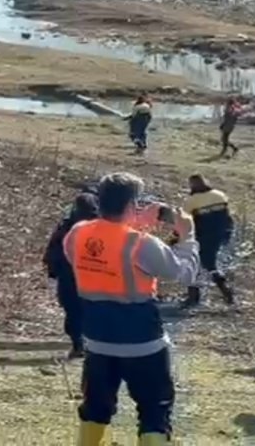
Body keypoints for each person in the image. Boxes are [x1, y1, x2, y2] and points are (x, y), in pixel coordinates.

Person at [64, 172, 200, 446]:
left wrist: (133, 223)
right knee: (154, 411)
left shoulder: (77, 233)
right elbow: (185, 274)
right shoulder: (141, 243)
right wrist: (188, 237)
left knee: (95, 409)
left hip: (97, 340)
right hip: (143, 343)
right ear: (131, 205)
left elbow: (103, 249)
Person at [44, 192, 100, 359]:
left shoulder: (66, 226)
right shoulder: (102, 226)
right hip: (95, 276)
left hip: (69, 276)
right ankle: (91, 345)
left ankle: (78, 344)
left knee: (73, 312)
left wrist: (54, 271)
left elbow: (53, 251)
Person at [181, 175, 237, 308]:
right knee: (211, 261)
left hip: (204, 235)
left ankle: (196, 296)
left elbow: (186, 221)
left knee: (196, 263)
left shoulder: (191, 201)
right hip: (223, 233)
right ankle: (225, 292)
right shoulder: (219, 194)